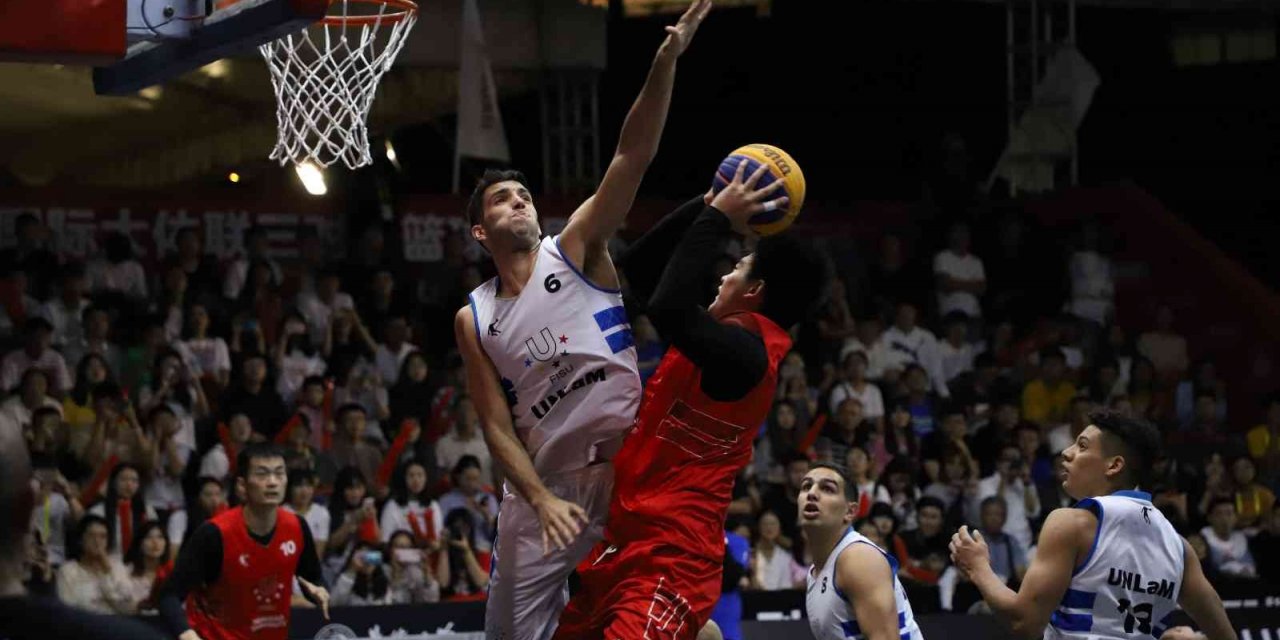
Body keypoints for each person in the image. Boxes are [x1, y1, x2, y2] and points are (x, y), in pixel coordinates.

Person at [453, 3, 711, 637]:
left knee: (678, 615)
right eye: (502, 200)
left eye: (524, 194)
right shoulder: (475, 317)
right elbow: (494, 426)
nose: (520, 201)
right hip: (549, 490)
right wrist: (539, 500)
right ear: (481, 230)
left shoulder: (574, 247)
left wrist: (665, 62)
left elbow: (632, 154)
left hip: (628, 469)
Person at [553, 161, 827, 637]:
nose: (723, 278)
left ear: (756, 290)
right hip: (622, 544)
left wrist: (719, 219)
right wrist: (705, 203)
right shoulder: (719, 339)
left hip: (671, 560)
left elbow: (668, 305)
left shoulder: (747, 357)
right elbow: (639, 274)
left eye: (737, 269)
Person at [949, 410, 1236, 640]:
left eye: (1082, 446)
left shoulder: (1072, 523)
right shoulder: (1179, 547)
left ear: (1114, 466)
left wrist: (978, 568)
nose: (1067, 452)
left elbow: (1024, 623)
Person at [0, 415, 168, 640]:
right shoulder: (69, 573)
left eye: (103, 536)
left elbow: (130, 606)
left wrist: (107, 568)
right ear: (29, 509)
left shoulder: (116, 565)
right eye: (93, 535)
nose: (98, 541)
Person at [158, 443, 330, 640]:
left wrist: (318, 590)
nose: (272, 482)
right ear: (242, 485)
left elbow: (313, 577)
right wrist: (186, 633)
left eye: (279, 473)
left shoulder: (297, 527)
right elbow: (168, 596)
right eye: (262, 474)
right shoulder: (215, 534)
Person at [800, 464, 924, 640]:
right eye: (806, 486)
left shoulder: (859, 559)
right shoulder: (816, 571)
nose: (811, 493)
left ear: (850, 512)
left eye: (827, 489)